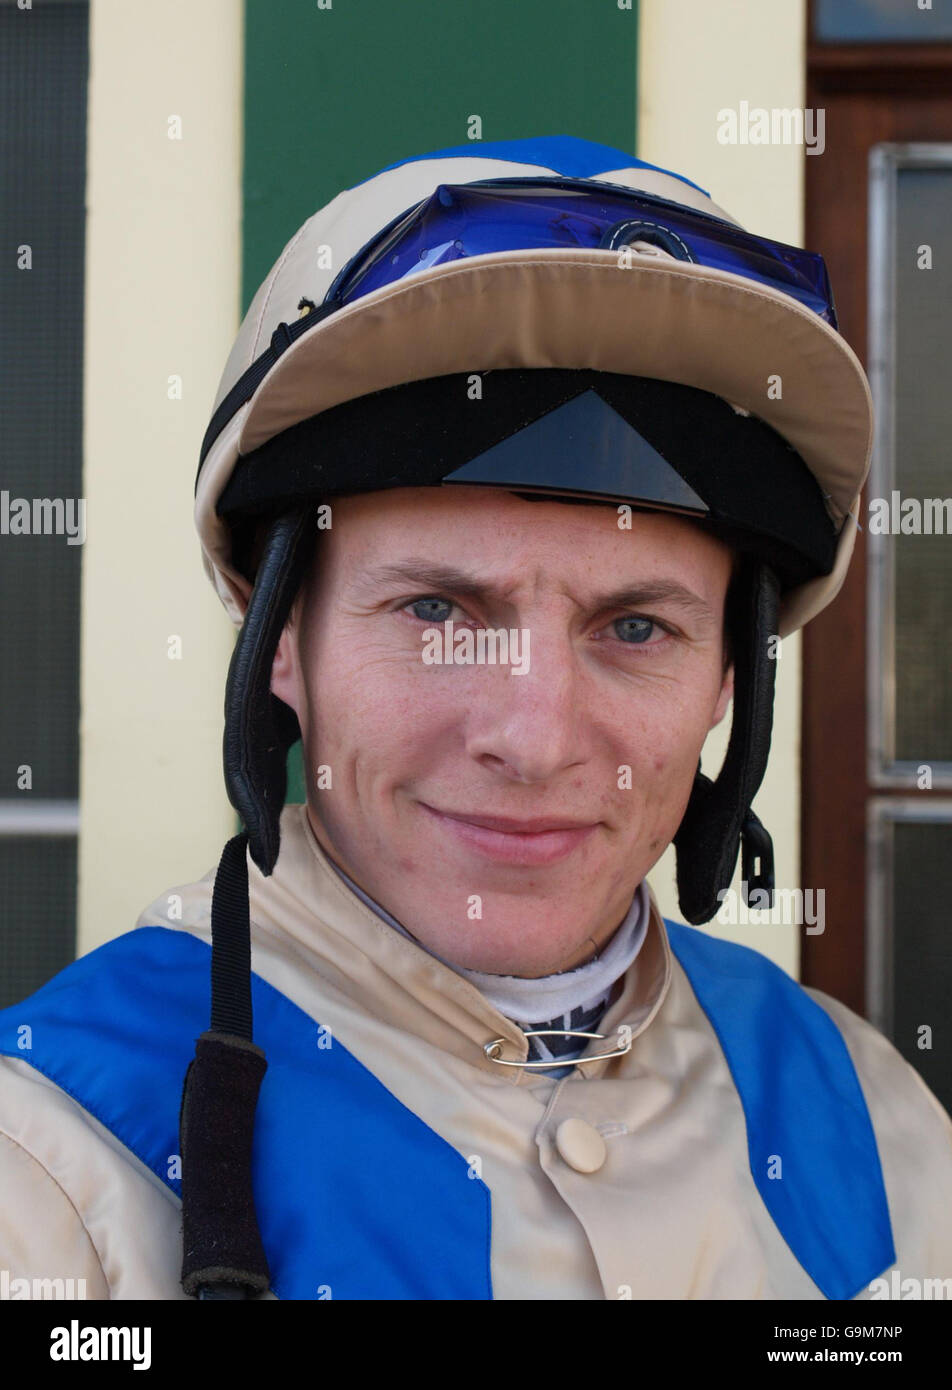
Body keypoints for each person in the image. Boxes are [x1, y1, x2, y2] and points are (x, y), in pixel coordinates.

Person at [1, 135, 951, 1302]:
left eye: (635, 628)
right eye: (440, 609)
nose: (536, 736)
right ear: (279, 640)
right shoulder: (48, 1155)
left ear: (726, 686)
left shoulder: (866, 1105)